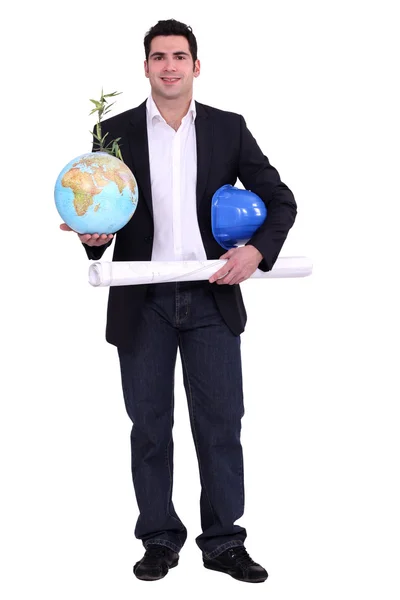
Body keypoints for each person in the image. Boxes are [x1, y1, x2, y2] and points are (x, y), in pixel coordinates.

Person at [61, 18, 297, 583]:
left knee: (220, 424)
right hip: (142, 303)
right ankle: (159, 537)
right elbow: (103, 214)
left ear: (196, 66)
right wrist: (95, 243)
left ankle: (222, 542)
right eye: (159, 56)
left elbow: (280, 200)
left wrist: (256, 254)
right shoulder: (111, 135)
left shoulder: (228, 130)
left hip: (211, 299)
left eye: (180, 56)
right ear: (145, 67)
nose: (169, 66)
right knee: (149, 426)